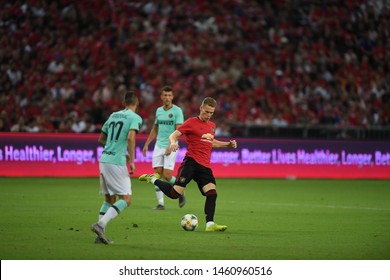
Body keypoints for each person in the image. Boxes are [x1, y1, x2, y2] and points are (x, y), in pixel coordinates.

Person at [139, 97, 237, 231]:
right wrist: (173, 143)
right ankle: (153, 179)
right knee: (175, 194)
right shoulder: (191, 122)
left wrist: (227, 144)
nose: (208, 115)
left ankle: (210, 224)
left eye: (211, 113)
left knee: (212, 193)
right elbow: (174, 135)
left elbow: (211, 141)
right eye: (206, 112)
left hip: (205, 166)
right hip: (191, 163)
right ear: (201, 108)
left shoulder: (212, 126)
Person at [91, 90, 142, 244]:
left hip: (105, 159)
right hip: (116, 162)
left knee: (109, 199)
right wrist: (132, 160)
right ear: (137, 103)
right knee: (126, 199)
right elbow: (131, 137)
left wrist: (115, 147)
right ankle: (100, 225)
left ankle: (99, 237)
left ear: (123, 103)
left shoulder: (113, 115)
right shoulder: (135, 117)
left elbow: (101, 139)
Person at [142, 86, 186, 210]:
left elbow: (179, 130)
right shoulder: (159, 111)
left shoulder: (177, 111)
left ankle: (181, 191)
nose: (167, 97)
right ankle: (160, 203)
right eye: (164, 95)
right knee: (157, 174)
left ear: (172, 97)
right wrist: (147, 144)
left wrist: (170, 145)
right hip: (158, 145)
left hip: (171, 145)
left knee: (167, 175)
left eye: (169, 95)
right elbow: (155, 128)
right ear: (161, 97)